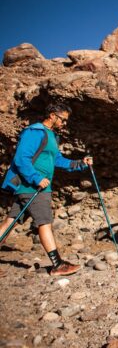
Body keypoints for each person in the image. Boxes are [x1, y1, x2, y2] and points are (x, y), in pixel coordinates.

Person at [0, 103, 93, 276]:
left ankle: (58, 264)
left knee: (10, 221)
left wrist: (80, 163)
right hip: (33, 187)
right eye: (62, 120)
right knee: (44, 222)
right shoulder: (35, 132)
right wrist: (36, 178)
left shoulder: (51, 136)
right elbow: (21, 159)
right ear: (52, 115)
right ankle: (57, 265)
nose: (64, 124)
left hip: (32, 187)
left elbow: (58, 160)